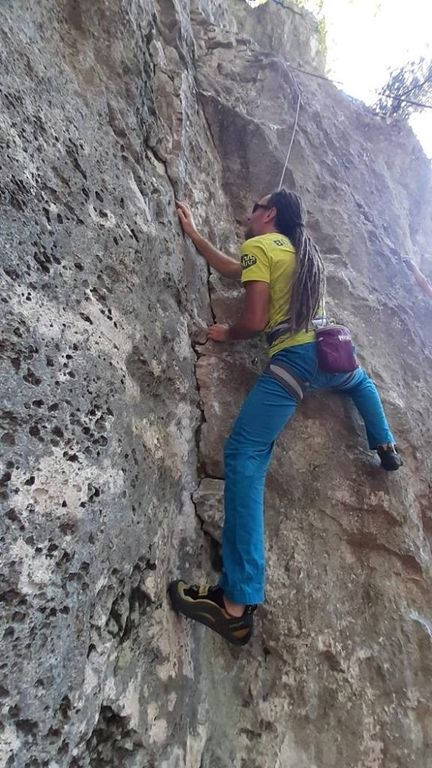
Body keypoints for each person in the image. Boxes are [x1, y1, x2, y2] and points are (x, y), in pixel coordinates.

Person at [169, 188, 402, 647]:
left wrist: (227, 333)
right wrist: (194, 234)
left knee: (244, 453)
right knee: (360, 382)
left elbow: (255, 321)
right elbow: (232, 269)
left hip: (295, 361)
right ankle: (385, 444)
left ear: (269, 213)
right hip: (330, 355)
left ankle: (235, 606)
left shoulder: (261, 245)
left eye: (253, 208)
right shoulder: (299, 252)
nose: (246, 214)